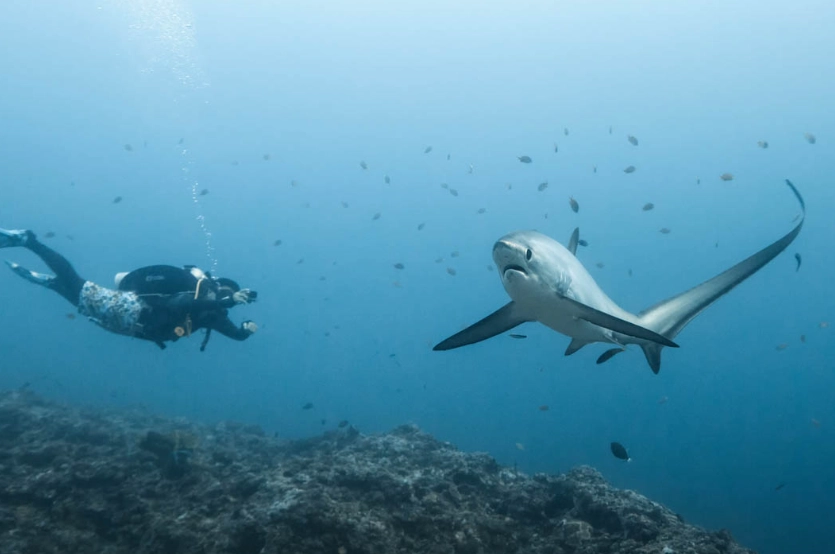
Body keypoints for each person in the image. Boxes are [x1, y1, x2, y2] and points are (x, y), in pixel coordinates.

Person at [0, 228, 257, 351]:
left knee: (81, 303)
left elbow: (234, 335)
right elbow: (177, 305)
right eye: (224, 292)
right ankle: (29, 241)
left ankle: (52, 284)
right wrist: (225, 301)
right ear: (217, 287)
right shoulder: (197, 295)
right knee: (76, 283)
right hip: (132, 311)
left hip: (131, 327)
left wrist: (245, 331)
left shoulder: (212, 316)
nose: (224, 298)